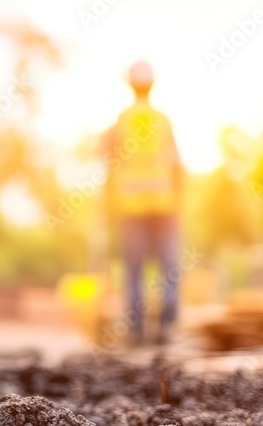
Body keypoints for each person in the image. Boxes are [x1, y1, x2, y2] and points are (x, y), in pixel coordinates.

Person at [103, 60, 185, 345]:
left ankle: (136, 330)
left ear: (130, 85)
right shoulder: (162, 120)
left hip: (131, 207)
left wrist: (106, 207)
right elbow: (177, 164)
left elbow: (108, 163)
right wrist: (179, 199)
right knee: (168, 265)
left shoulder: (120, 122)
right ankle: (166, 326)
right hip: (164, 204)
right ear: (152, 86)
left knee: (134, 267)